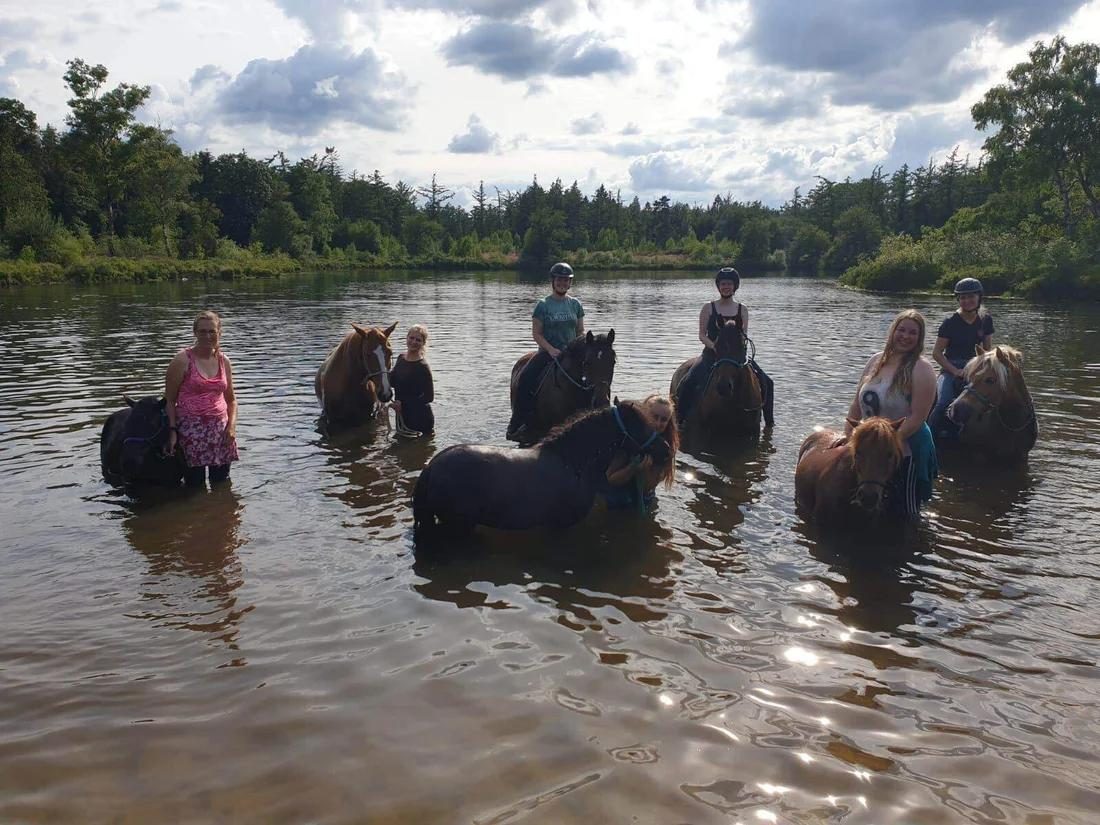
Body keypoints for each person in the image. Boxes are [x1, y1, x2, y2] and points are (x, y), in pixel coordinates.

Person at [845, 309, 938, 518]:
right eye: (901, 330)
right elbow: (856, 406)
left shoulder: (922, 369)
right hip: (869, 449)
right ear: (893, 331)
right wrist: (848, 438)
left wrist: (888, 443)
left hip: (903, 448)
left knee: (903, 513)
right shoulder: (875, 361)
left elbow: (918, 416)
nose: (905, 336)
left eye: (912, 333)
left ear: (919, 337)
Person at [676, 266, 774, 427]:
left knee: (767, 382)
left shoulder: (742, 309)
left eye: (729, 284)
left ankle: (769, 423)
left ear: (735, 286)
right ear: (718, 286)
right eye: (722, 284)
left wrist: (736, 351)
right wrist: (714, 346)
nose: (726, 287)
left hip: (736, 358)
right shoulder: (708, 308)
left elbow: (743, 335)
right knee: (688, 382)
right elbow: (702, 334)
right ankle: (680, 421)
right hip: (711, 355)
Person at [506, 261, 585, 441]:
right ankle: (517, 422)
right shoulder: (543, 305)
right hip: (547, 353)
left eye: (566, 280)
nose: (562, 283)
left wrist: (576, 347)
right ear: (553, 281)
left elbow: (580, 331)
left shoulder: (576, 305)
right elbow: (537, 333)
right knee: (526, 379)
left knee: (592, 380)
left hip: (571, 353)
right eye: (559, 280)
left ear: (570, 283)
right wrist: (551, 350)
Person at [165, 310, 239, 487]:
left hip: (220, 434)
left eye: (212, 331)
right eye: (202, 331)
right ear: (195, 333)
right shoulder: (182, 360)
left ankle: (220, 514)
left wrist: (231, 427)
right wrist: (173, 431)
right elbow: (169, 400)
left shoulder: (224, 361)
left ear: (219, 333)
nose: (207, 336)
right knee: (194, 485)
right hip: (191, 434)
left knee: (221, 484)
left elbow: (231, 400)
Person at [929, 277, 994, 440]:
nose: (967, 301)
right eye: (963, 297)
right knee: (942, 402)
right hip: (951, 367)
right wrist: (955, 371)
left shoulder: (986, 319)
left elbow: (987, 351)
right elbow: (937, 353)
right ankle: (929, 437)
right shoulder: (950, 322)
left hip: (975, 368)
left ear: (979, 297)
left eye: (971, 296)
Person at [603, 395, 679, 512]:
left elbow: (647, 487)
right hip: (614, 498)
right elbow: (611, 479)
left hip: (643, 501)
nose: (658, 423)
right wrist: (632, 468)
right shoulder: (627, 437)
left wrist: (644, 470)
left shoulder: (665, 449)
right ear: (643, 413)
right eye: (654, 416)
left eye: (663, 420)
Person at [389, 324, 434, 435]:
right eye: (411, 338)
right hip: (402, 416)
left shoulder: (423, 367)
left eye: (418, 340)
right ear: (407, 338)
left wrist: (402, 405)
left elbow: (429, 397)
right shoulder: (400, 358)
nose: (414, 342)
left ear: (423, 343)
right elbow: (393, 382)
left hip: (420, 419)